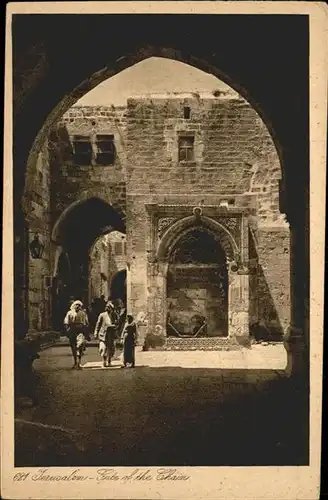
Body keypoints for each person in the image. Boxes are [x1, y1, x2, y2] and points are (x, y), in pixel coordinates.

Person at [64, 300, 89, 369]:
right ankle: (75, 362)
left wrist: (86, 332)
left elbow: (86, 323)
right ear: (73, 306)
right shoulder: (69, 313)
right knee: (73, 347)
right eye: (76, 305)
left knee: (80, 345)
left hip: (80, 330)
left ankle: (79, 362)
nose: (77, 306)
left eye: (79, 305)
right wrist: (67, 330)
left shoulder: (83, 313)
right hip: (72, 330)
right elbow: (66, 322)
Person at [94, 301, 117, 367]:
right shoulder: (102, 315)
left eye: (109, 308)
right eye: (107, 307)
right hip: (103, 334)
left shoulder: (114, 315)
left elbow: (117, 323)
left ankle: (109, 361)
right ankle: (104, 360)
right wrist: (96, 332)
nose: (108, 309)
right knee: (103, 348)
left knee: (111, 348)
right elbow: (98, 324)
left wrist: (114, 326)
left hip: (111, 334)